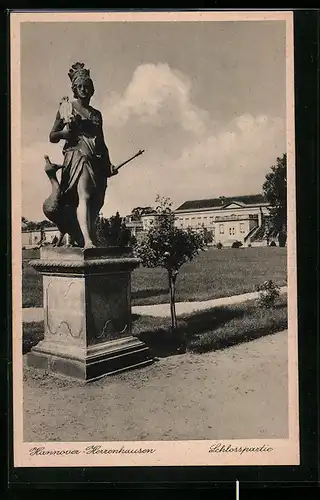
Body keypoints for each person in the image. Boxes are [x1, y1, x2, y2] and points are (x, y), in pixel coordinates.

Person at [48, 62, 118, 248]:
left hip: (97, 159)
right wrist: (65, 134)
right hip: (79, 156)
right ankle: (87, 240)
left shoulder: (97, 114)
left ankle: (87, 236)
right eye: (80, 87)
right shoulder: (67, 108)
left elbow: (101, 141)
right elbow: (52, 136)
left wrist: (109, 165)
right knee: (84, 195)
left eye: (87, 86)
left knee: (98, 200)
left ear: (92, 89)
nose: (84, 89)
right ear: (74, 89)